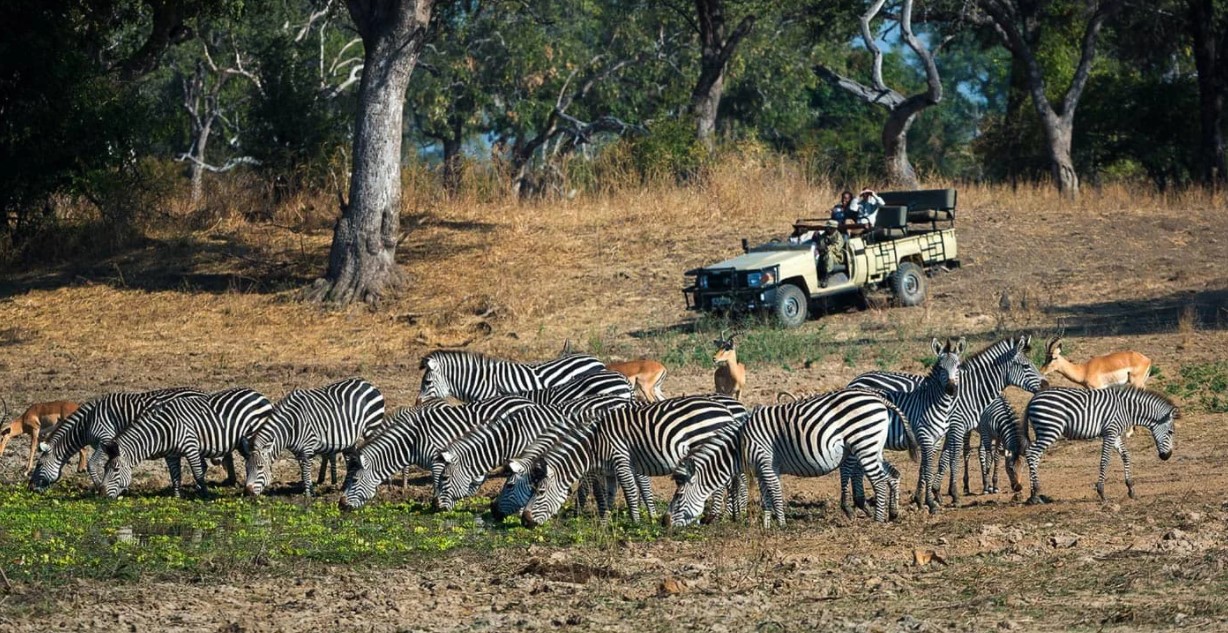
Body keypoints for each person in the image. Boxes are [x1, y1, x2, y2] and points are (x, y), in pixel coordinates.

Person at [817, 219, 847, 288]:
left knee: (829, 254)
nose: (828, 229)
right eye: (827, 228)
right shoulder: (823, 236)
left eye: (830, 228)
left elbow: (836, 248)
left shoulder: (838, 236)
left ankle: (826, 277)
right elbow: (821, 245)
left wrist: (827, 248)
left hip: (837, 257)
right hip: (823, 255)